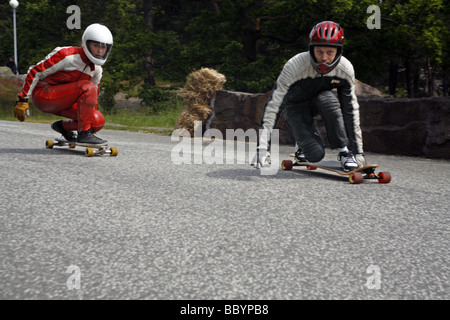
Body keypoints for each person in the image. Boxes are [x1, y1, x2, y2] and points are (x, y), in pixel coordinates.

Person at [252, 21, 366, 171]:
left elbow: (351, 110)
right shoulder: (294, 66)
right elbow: (274, 105)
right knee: (315, 155)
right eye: (319, 52)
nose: (324, 58)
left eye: (329, 52)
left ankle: (344, 152)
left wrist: (358, 152)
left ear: (338, 52)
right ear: (311, 49)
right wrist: (263, 147)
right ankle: (303, 145)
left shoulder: (345, 70)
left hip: (319, 102)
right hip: (295, 107)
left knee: (328, 100)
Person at [13, 23, 113, 145]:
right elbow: (35, 71)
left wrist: (90, 122)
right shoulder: (66, 55)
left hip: (66, 101)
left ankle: (63, 127)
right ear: (86, 44)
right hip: (45, 96)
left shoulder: (97, 69)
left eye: (103, 47)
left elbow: (93, 98)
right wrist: (23, 99)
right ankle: (84, 134)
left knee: (97, 120)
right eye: (96, 45)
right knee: (88, 87)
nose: (99, 51)